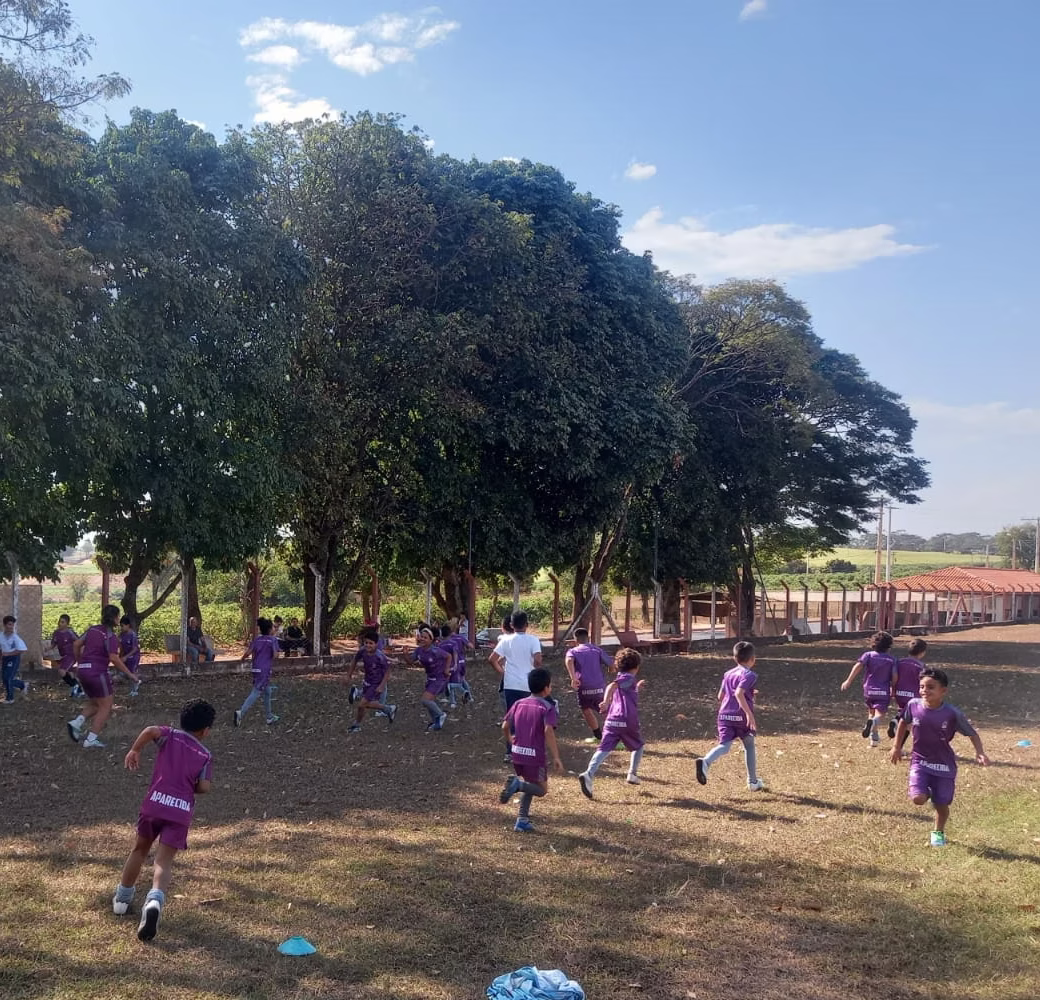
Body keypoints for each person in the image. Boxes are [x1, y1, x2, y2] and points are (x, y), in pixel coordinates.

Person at [112, 698, 216, 941]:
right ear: (205, 730)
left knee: (139, 849)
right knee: (163, 861)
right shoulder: (205, 755)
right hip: (180, 811)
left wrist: (135, 749)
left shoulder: (170, 736)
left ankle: (122, 900)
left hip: (155, 803)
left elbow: (150, 730)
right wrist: (191, 786)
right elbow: (204, 787)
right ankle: (154, 901)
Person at [890, 667, 989, 847]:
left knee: (942, 805)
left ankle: (938, 832)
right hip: (920, 760)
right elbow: (904, 722)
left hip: (944, 764)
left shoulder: (952, 713)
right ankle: (925, 790)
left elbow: (972, 734)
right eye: (921, 687)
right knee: (918, 798)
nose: (924, 691)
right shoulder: (913, 705)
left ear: (943, 691)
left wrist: (980, 752)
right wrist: (897, 747)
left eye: (930, 687)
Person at [694, 641, 764, 791]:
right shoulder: (749, 675)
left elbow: (720, 696)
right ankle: (752, 781)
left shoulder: (728, 674)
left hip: (724, 715)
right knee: (749, 744)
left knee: (724, 746)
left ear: (734, 658)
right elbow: (738, 693)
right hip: (741, 716)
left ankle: (706, 761)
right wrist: (749, 714)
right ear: (753, 659)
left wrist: (749, 694)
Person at [499, 667, 563, 832]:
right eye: (550, 685)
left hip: (517, 753)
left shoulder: (518, 703)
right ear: (546, 688)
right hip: (534, 756)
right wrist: (556, 756)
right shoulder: (547, 707)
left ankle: (522, 820)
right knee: (541, 790)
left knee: (530, 783)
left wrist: (510, 741)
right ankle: (517, 785)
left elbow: (505, 726)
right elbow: (548, 731)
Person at [578, 648, 646, 798]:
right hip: (626, 720)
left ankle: (589, 774)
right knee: (639, 746)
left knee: (603, 749)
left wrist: (637, 688)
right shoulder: (627, 677)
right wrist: (606, 701)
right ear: (636, 667)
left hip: (612, 721)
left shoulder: (625, 679)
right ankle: (632, 773)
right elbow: (612, 686)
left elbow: (624, 691)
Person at [67, 605, 137, 747]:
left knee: (95, 703)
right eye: (118, 616)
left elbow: (76, 644)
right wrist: (130, 674)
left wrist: (80, 662)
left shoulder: (92, 629)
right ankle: (91, 739)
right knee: (106, 705)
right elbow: (114, 658)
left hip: (83, 671)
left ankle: (76, 723)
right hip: (97, 673)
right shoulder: (111, 637)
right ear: (115, 618)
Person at [841, 630, 897, 748]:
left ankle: (874, 738)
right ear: (889, 647)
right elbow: (894, 676)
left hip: (869, 690)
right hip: (883, 691)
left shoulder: (868, 655)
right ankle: (874, 724)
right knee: (880, 714)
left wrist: (848, 680)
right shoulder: (891, 659)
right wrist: (894, 688)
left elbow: (858, 666)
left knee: (871, 712)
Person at [490, 610, 543, 722]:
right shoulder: (533, 640)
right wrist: (535, 668)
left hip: (511, 684)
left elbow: (492, 659)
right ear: (527, 625)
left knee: (513, 716)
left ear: (511, 625)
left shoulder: (505, 640)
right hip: (529, 683)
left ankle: (513, 733)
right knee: (528, 716)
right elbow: (538, 661)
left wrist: (502, 672)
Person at [565, 627, 612, 743]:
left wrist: (573, 678)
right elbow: (611, 664)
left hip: (584, 686)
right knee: (605, 710)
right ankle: (614, 736)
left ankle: (598, 736)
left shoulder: (573, 651)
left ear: (575, 640)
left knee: (586, 709)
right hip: (599, 686)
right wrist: (611, 669)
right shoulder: (597, 650)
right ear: (588, 638)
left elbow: (569, 660)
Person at [234, 618, 280, 727]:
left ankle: (269, 717)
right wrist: (275, 652)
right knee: (256, 692)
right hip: (264, 670)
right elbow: (275, 655)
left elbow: (248, 652)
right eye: (273, 627)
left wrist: (242, 659)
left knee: (267, 691)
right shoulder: (273, 640)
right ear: (270, 629)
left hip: (256, 668)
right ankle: (240, 713)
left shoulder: (257, 639)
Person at [347, 630, 396, 731]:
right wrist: (349, 675)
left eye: (371, 643)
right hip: (367, 682)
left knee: (362, 704)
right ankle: (389, 709)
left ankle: (356, 724)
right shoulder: (362, 651)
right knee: (364, 705)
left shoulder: (379, 656)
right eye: (366, 643)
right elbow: (355, 660)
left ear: (376, 644)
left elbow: (387, 671)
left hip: (376, 684)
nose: (368, 645)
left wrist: (382, 685)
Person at [887, 638, 927, 739]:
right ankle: (899, 743)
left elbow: (894, 676)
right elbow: (923, 682)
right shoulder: (921, 666)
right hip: (913, 696)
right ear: (922, 653)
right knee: (909, 722)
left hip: (899, 694)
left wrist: (893, 688)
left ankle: (896, 720)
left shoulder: (899, 662)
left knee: (903, 710)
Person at [413, 626, 451, 731]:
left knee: (425, 700)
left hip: (439, 679)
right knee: (429, 702)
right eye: (421, 636)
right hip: (430, 679)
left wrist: (447, 669)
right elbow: (410, 661)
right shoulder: (418, 651)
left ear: (431, 640)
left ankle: (441, 714)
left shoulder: (435, 651)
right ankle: (436, 722)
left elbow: (448, 656)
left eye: (425, 637)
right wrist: (405, 654)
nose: (422, 639)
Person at [50, 613, 83, 697]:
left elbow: (79, 642)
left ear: (67, 624)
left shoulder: (70, 633)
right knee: (70, 674)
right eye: (59, 621)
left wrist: (80, 653)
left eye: (62, 622)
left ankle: (76, 687)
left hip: (71, 655)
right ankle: (77, 691)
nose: (60, 624)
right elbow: (53, 644)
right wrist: (48, 649)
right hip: (63, 656)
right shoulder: (56, 633)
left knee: (62, 671)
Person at [0, 614, 29, 704]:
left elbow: (22, 649)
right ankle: (22, 684)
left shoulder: (15, 637)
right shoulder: (1, 636)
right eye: (9, 624)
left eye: (12, 625)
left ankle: (10, 698)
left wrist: (8, 653)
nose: (11, 627)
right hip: (5, 658)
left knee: (9, 678)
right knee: (4, 679)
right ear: (4, 625)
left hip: (13, 658)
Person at [119, 615, 143, 697]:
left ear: (128, 625)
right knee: (125, 673)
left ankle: (134, 690)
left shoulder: (133, 635)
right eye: (120, 626)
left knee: (132, 672)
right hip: (126, 656)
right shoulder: (122, 635)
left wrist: (126, 656)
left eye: (122, 626)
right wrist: (120, 656)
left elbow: (135, 649)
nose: (121, 628)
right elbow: (121, 647)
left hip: (134, 657)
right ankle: (136, 682)